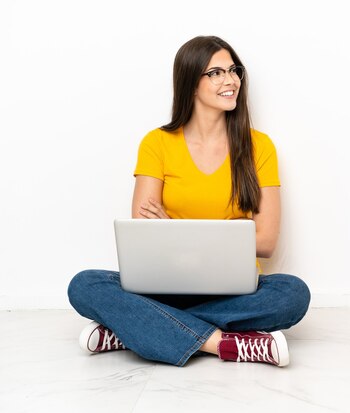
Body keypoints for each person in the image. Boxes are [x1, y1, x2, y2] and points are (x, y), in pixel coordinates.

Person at [67, 36, 310, 367]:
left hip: (233, 290)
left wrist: (173, 229)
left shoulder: (259, 146)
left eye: (234, 70)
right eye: (216, 73)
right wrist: (232, 232)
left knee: (292, 295)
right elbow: (143, 232)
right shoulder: (158, 143)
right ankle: (225, 344)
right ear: (190, 83)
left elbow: (265, 241)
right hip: (164, 286)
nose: (231, 80)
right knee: (84, 285)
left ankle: (131, 329)